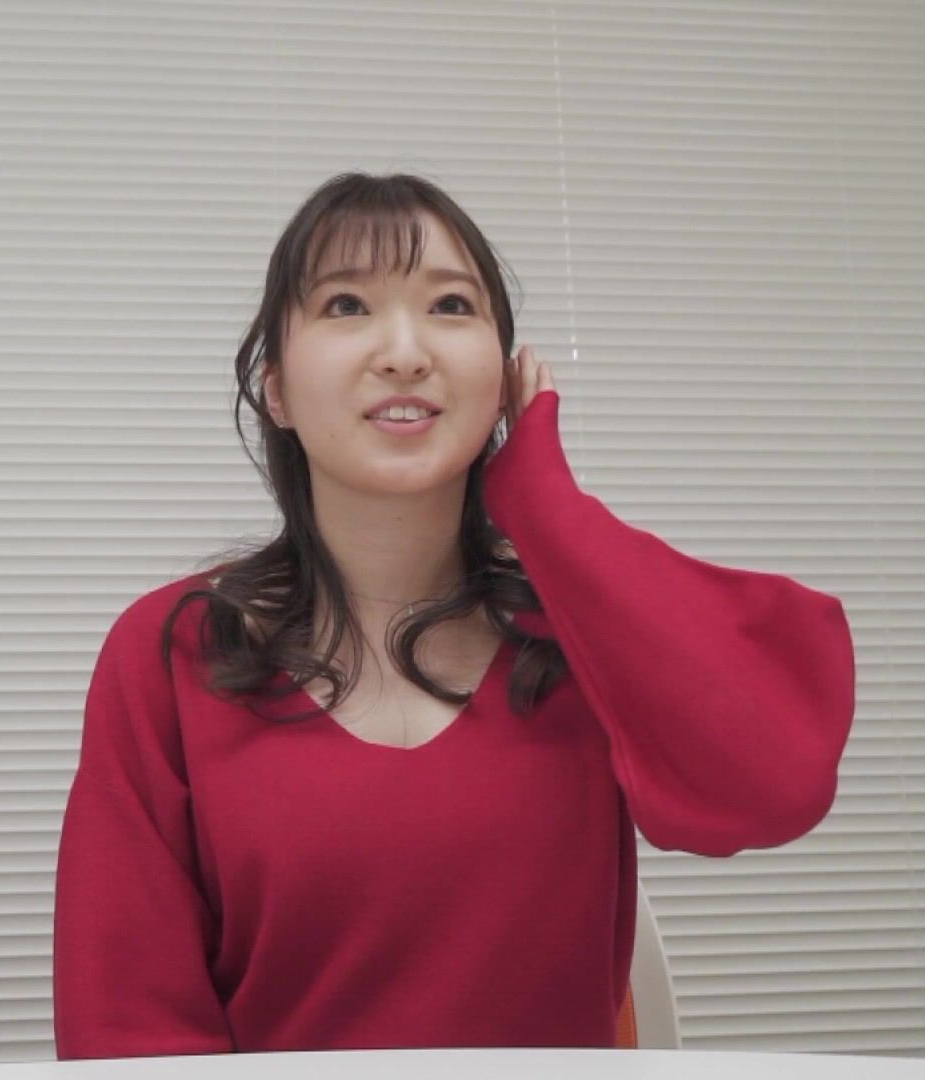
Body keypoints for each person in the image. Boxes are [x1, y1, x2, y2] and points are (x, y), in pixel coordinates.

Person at [51, 172, 856, 1059]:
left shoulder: (581, 629)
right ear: (275, 388)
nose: (404, 352)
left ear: (504, 380)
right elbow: (126, 1032)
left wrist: (546, 505)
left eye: (450, 306)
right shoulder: (170, 653)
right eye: (347, 304)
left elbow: (773, 786)